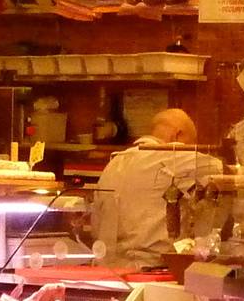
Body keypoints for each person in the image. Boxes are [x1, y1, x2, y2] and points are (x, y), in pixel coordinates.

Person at [90, 107, 223, 267]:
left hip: (108, 269)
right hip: (153, 269)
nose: (191, 150)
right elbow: (230, 172)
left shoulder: (114, 162)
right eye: (191, 144)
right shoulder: (175, 156)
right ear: (178, 135)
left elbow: (95, 221)